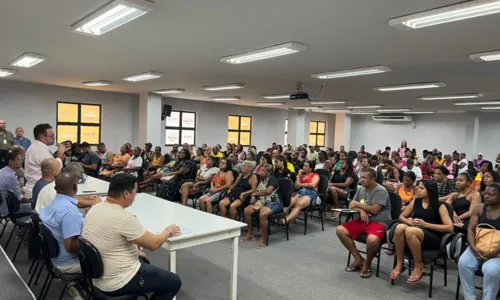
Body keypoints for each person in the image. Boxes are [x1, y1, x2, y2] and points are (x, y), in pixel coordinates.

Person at [83, 174, 181, 299]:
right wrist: (168, 230)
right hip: (117, 282)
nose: (135, 195)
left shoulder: (95, 208)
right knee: (173, 282)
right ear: (126, 194)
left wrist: (136, 251)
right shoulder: (124, 218)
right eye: (135, 191)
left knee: (143, 259)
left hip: (96, 278)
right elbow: (154, 244)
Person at [389, 180, 453, 283]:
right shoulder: (417, 201)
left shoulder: (440, 205)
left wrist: (426, 225)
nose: (418, 189)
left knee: (410, 231)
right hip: (416, 233)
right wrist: (409, 222)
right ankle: (400, 264)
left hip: (433, 237)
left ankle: (418, 266)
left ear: (430, 191)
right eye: (418, 187)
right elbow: (401, 216)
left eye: (421, 188)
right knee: (400, 227)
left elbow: (450, 228)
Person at [336, 168, 391, 279]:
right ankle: (358, 259)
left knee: (372, 240)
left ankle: (368, 263)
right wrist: (361, 210)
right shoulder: (361, 188)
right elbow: (351, 204)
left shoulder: (380, 190)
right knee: (340, 230)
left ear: (373, 180)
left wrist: (358, 205)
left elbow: (375, 210)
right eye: (361, 177)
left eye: (364, 178)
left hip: (379, 222)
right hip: (364, 220)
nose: (361, 180)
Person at [458, 182, 500, 300]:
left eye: (491, 195)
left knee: (491, 270)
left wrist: (493, 252)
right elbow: (471, 230)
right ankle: (470, 297)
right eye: (485, 193)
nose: (486, 196)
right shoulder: (479, 208)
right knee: (464, 262)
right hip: (477, 247)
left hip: (497, 252)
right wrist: (473, 247)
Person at [39, 173, 83, 273]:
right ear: (75, 187)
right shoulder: (70, 211)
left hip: (55, 258)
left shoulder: (52, 204)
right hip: (69, 264)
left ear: (55, 188)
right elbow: (71, 247)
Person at [242, 164, 282, 248]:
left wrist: (255, 194)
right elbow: (256, 190)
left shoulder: (272, 179)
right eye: (261, 170)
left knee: (263, 214)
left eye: (263, 171)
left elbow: (268, 191)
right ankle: (250, 234)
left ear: (269, 172)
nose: (261, 172)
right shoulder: (262, 179)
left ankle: (264, 238)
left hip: (274, 202)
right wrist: (253, 196)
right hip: (262, 201)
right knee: (247, 210)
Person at [35, 162, 101, 212]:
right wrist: (93, 202)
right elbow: (76, 203)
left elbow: (71, 198)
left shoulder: (58, 183)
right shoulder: (58, 189)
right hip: (49, 224)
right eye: (77, 180)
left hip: (45, 220)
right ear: (73, 176)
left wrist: (87, 198)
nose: (77, 182)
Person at [25, 124, 66, 198]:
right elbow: (54, 169)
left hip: (38, 187)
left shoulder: (36, 147)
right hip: (40, 189)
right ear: (42, 137)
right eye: (52, 136)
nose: (54, 138)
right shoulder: (39, 149)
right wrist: (60, 155)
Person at [0, 152, 32, 217]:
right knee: (36, 207)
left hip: (3, 205)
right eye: (18, 159)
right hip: (9, 209)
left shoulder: (2, 171)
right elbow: (20, 199)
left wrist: (20, 191)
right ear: (11, 161)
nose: (21, 161)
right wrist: (31, 200)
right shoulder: (10, 176)